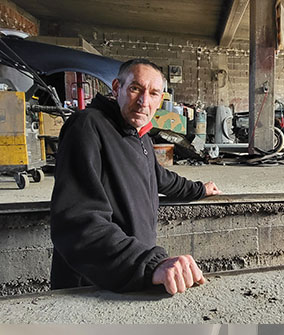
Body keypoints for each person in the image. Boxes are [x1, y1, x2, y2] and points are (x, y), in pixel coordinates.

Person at [50, 58, 221, 294]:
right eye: (135, 89)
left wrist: (199, 189)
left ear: (160, 99)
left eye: (153, 93)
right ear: (117, 88)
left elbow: (159, 177)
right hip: (93, 283)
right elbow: (78, 220)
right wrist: (149, 264)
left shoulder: (140, 136)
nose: (143, 101)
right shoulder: (87, 126)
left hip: (131, 275)